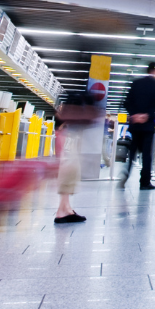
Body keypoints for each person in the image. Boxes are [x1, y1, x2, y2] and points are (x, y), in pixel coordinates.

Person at [54, 90, 103, 223]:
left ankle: (65, 208)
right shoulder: (73, 120)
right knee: (70, 170)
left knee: (70, 171)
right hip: (70, 140)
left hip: (68, 138)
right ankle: (62, 211)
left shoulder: (66, 118)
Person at [121, 63, 155, 190]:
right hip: (148, 126)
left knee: (132, 152)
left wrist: (134, 115)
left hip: (135, 125)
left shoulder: (135, 83)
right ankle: (144, 182)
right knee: (146, 156)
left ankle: (125, 174)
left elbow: (126, 102)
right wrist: (146, 115)